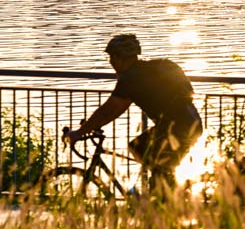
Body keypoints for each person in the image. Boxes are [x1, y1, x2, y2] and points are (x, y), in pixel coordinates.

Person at [66, 34, 202, 195]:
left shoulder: (131, 78)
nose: (110, 62)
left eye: (111, 57)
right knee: (146, 155)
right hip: (191, 123)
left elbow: (111, 109)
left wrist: (80, 132)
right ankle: (164, 194)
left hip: (175, 129)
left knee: (147, 157)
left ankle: (164, 201)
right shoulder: (157, 67)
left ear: (120, 58)